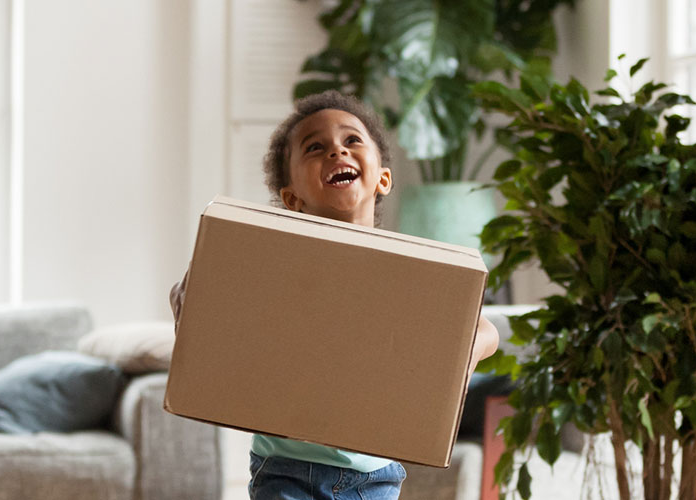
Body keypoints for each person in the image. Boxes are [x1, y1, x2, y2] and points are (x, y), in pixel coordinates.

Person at [169, 91, 501, 500]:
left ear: (383, 178)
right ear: (291, 197)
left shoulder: (407, 268)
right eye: (315, 147)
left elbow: (485, 329)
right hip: (284, 469)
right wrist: (191, 304)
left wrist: (466, 356)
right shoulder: (276, 261)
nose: (337, 151)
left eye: (352, 140)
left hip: (374, 475)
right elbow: (214, 305)